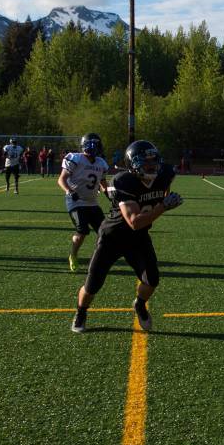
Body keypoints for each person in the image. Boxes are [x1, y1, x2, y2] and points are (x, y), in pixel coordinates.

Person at [71, 140, 182, 333]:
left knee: (152, 280)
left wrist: (164, 197)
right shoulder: (124, 181)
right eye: (145, 162)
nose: (151, 165)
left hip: (138, 238)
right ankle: (81, 311)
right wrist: (163, 205)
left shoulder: (164, 174)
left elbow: (165, 184)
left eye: (153, 160)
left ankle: (139, 304)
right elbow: (134, 221)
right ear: (133, 165)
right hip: (113, 238)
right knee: (93, 284)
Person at [59, 133, 110, 272]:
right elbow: (61, 179)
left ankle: (99, 259)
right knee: (82, 232)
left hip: (92, 203)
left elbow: (103, 184)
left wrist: (110, 194)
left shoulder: (101, 163)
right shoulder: (75, 158)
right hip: (75, 201)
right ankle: (73, 255)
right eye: (91, 144)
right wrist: (70, 191)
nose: (94, 147)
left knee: (105, 232)